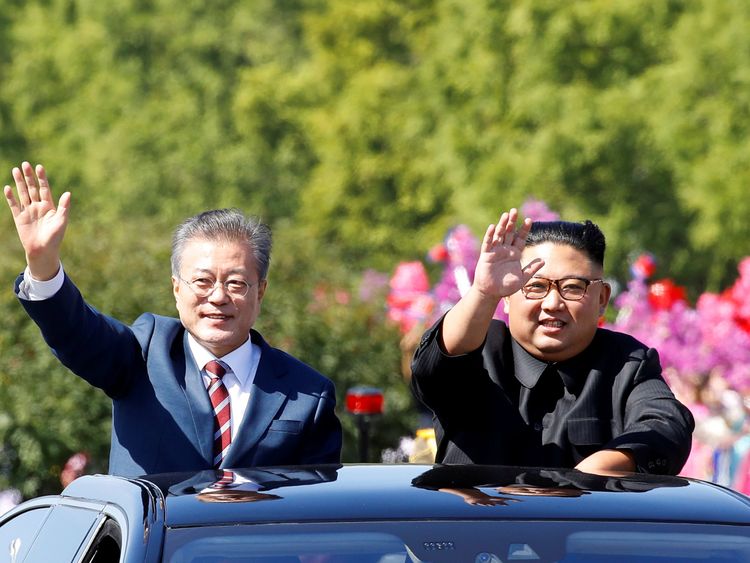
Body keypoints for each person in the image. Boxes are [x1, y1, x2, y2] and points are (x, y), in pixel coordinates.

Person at [4, 161, 342, 476]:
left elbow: (316, 519)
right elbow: (77, 332)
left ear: (261, 291)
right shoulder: (143, 355)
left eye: (236, 282)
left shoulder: (308, 395)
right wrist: (43, 265)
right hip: (152, 540)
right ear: (176, 288)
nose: (219, 296)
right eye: (203, 281)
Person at [410, 209, 694, 475]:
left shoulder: (626, 362)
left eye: (572, 287)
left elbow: (667, 425)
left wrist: (602, 468)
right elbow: (433, 368)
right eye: (535, 286)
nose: (553, 303)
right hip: (481, 525)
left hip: (585, 524)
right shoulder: (481, 349)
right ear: (507, 296)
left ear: (602, 299)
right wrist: (483, 292)